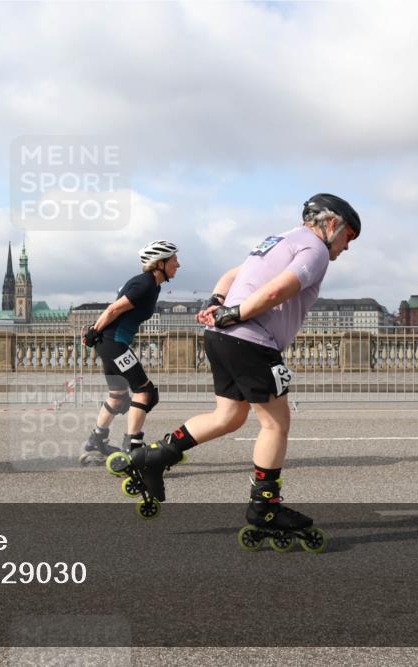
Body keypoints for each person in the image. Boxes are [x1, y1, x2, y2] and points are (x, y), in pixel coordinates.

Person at [113, 194, 359, 546]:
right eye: (349, 236)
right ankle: (265, 508)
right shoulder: (316, 250)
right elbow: (279, 289)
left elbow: (234, 274)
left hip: (221, 338)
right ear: (332, 224)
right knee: (276, 423)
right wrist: (238, 313)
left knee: (228, 415)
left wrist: (216, 302)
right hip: (253, 341)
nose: (347, 246)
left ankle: (153, 457)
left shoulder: (278, 240)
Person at [78, 240, 180, 464]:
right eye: (174, 260)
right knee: (145, 392)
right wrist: (94, 330)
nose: (178, 264)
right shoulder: (144, 284)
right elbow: (114, 308)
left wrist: (97, 334)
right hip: (114, 343)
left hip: (111, 343)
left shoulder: (153, 285)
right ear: (160, 263)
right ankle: (133, 446)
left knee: (118, 396)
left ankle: (96, 441)